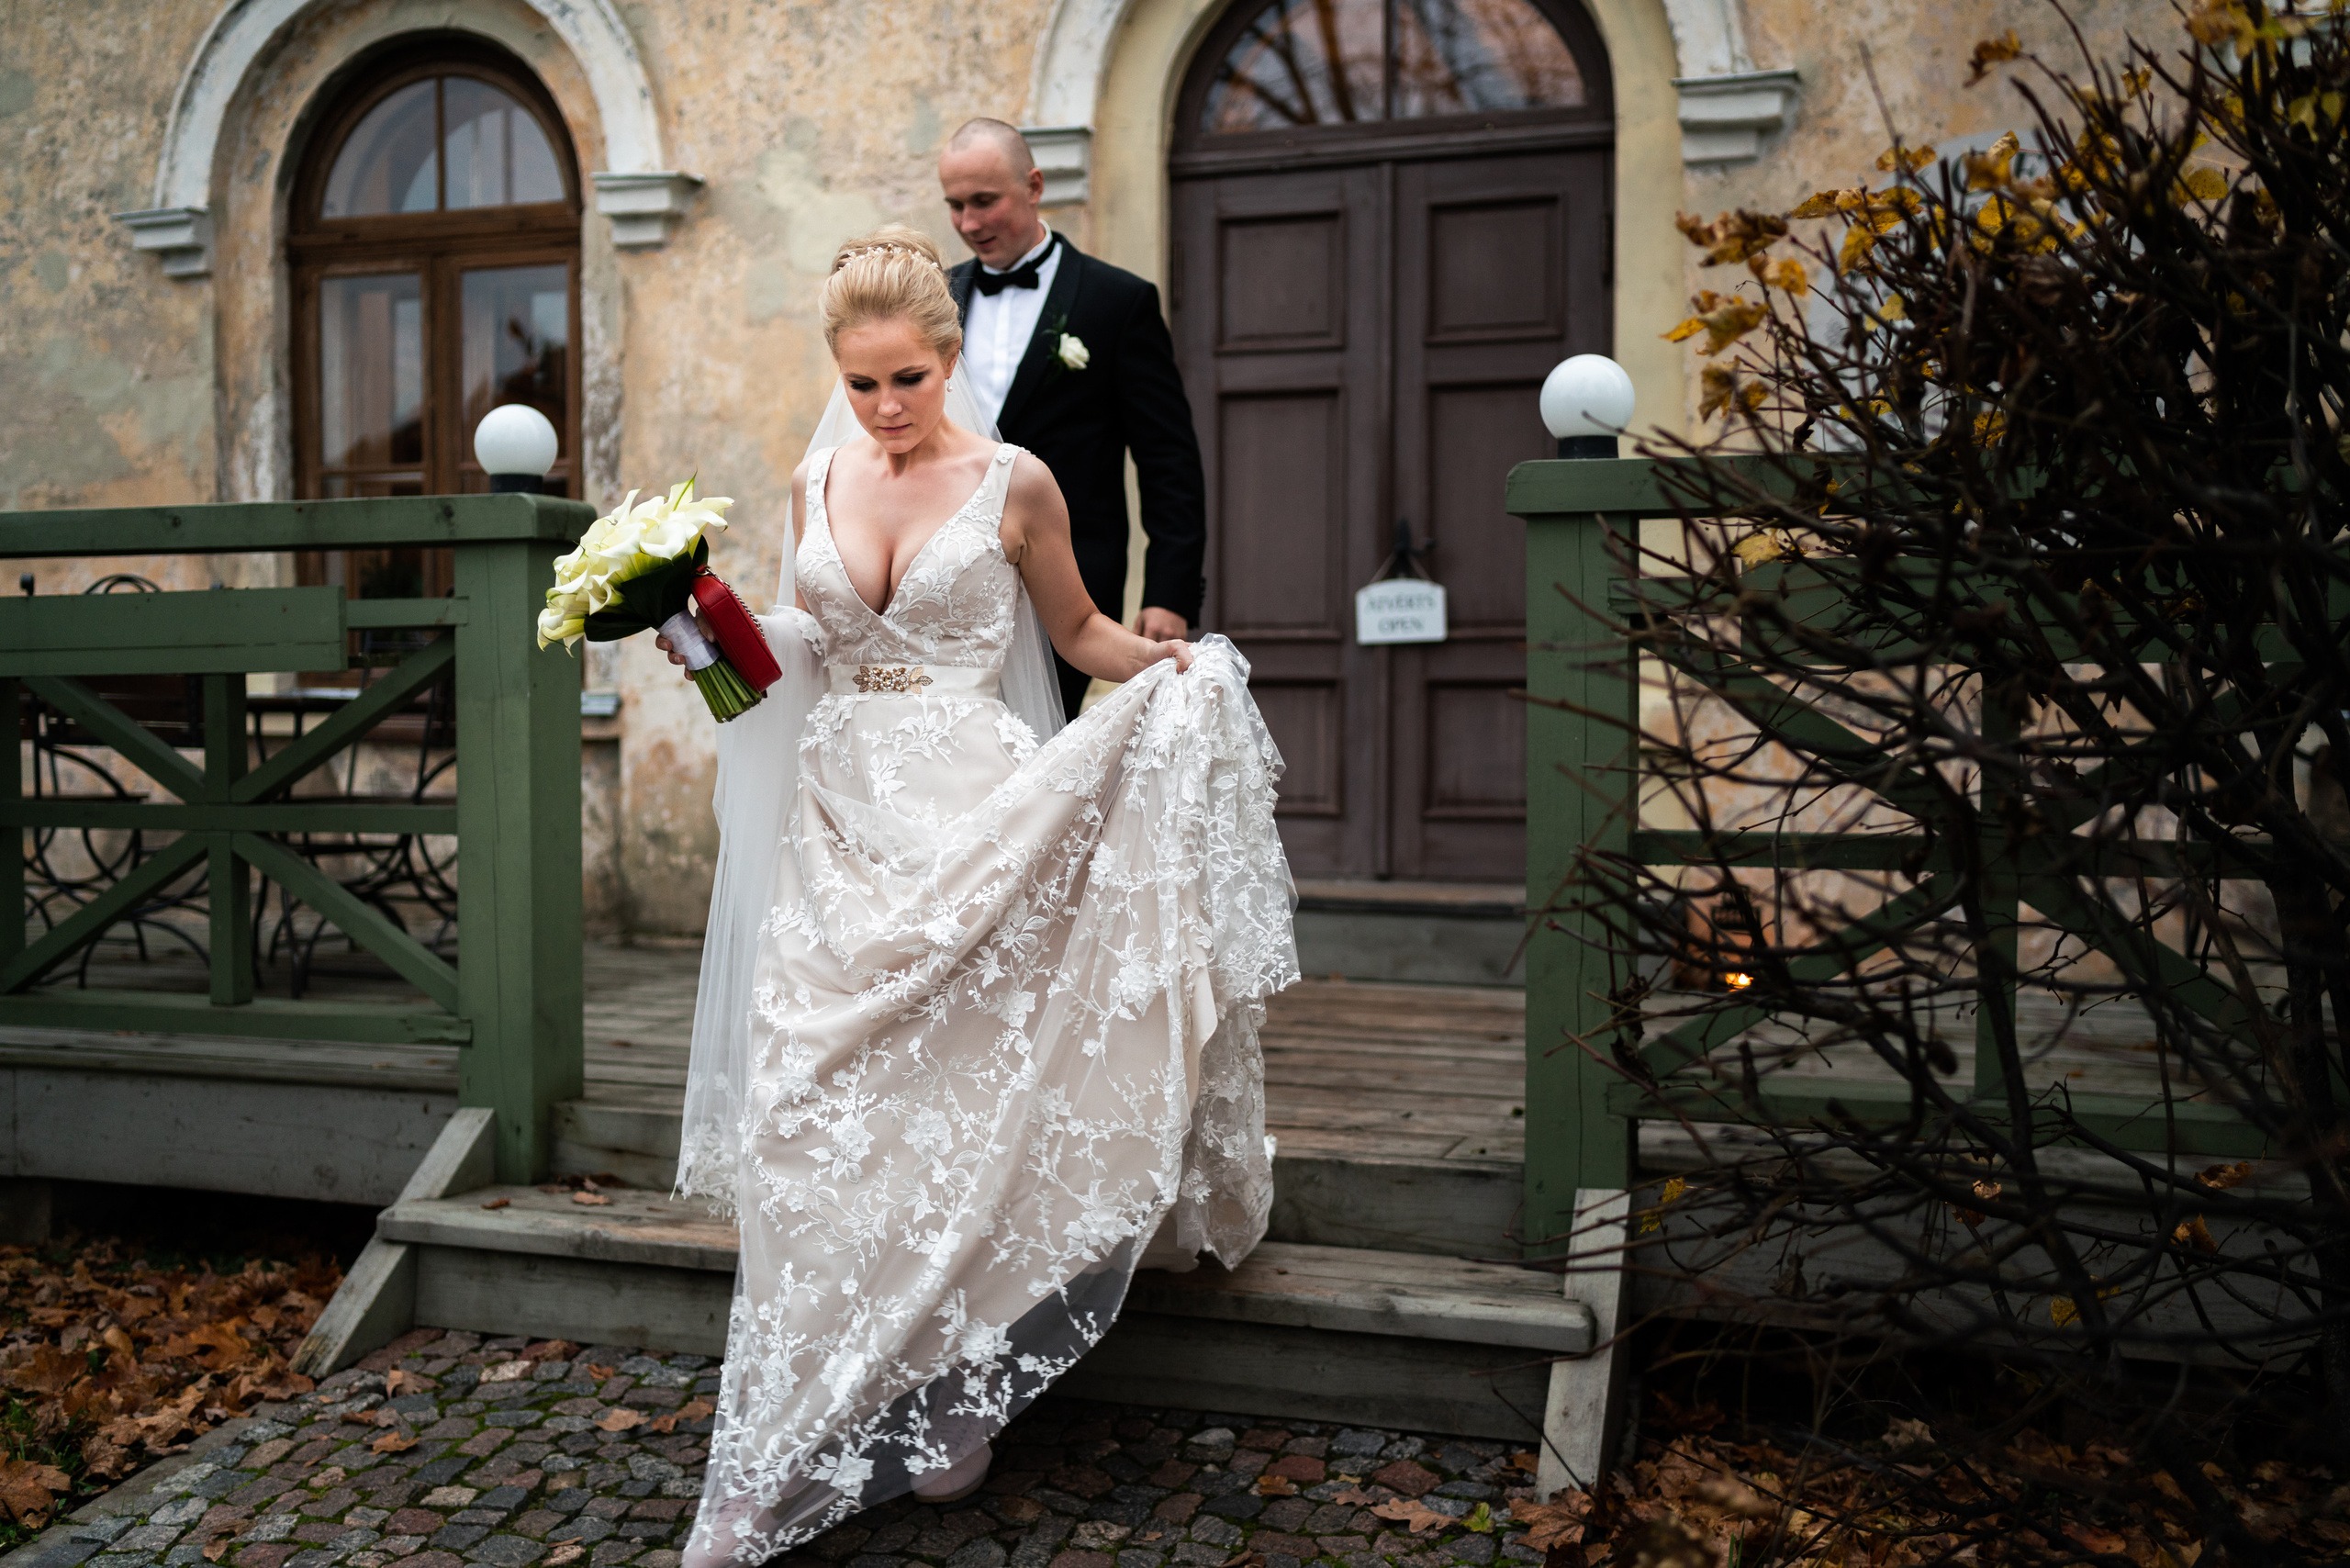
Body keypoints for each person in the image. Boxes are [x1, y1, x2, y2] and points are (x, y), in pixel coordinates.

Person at [664, 226, 1297, 1568]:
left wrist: (1171, 668)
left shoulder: (1017, 482)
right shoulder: (814, 476)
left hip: (975, 817)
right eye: (861, 385)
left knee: (962, 1103)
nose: (884, 410)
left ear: (947, 361)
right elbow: (800, 650)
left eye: (905, 379)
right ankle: (775, 1444)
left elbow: (1078, 636)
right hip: (837, 828)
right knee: (803, 1116)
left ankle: (945, 1393)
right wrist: (692, 623)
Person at [937, 118, 1207, 719]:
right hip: (949, 580)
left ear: (1034, 186)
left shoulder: (1118, 302)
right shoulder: (936, 299)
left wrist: (1169, 592)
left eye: (985, 201)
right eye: (955, 205)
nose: (969, 223)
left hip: (1071, 587)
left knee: (1038, 758)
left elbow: (1168, 459)